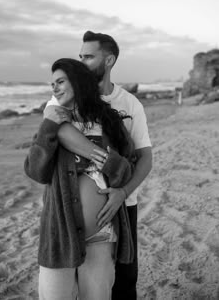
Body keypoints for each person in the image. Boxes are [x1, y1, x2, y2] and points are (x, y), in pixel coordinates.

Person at [50, 31, 152, 300]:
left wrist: (123, 191)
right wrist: (106, 159)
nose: (81, 62)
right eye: (80, 55)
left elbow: (145, 157)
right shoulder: (65, 95)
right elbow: (58, 130)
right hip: (66, 206)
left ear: (109, 60)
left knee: (125, 279)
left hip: (123, 204)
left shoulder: (130, 104)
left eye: (88, 56)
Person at [25, 58, 136, 300]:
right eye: (52, 83)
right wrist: (48, 127)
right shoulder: (52, 122)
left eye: (60, 81)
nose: (54, 87)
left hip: (102, 234)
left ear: (78, 81)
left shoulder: (110, 121)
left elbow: (127, 169)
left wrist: (102, 158)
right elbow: (36, 172)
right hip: (60, 234)